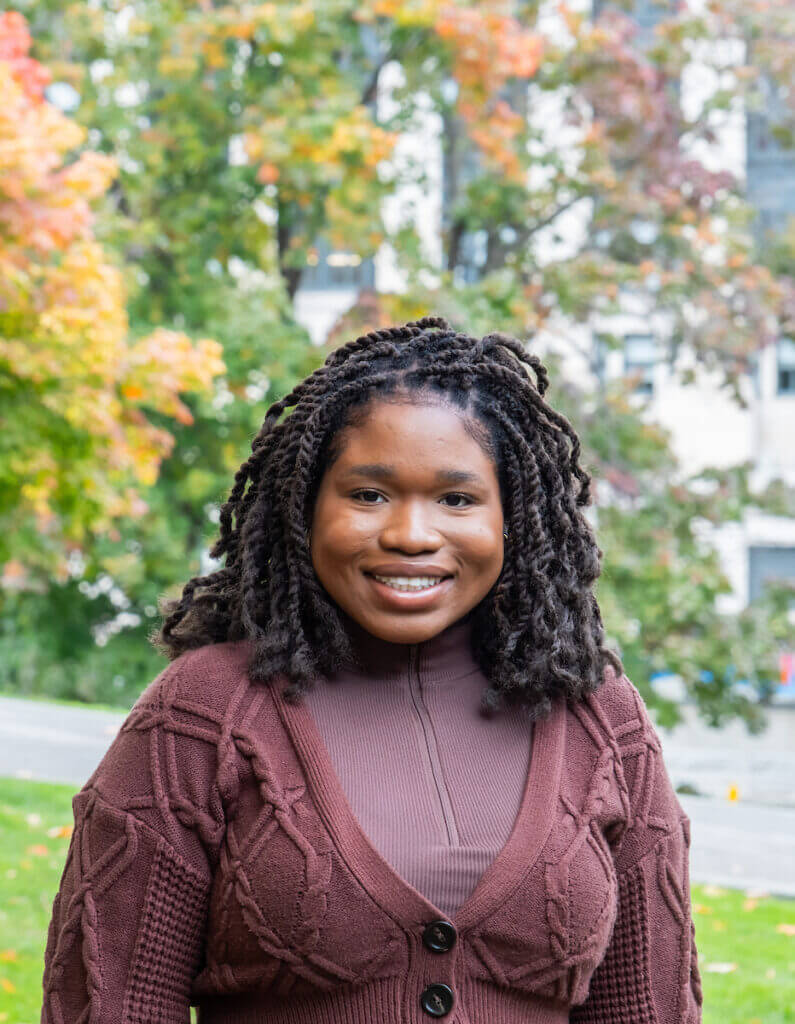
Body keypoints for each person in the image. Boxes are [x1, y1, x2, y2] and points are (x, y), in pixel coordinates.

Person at [41, 316, 702, 1024]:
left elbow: (647, 1007)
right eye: (368, 494)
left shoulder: (601, 719)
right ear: (304, 508)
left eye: (457, 498)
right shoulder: (204, 714)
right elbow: (109, 1003)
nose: (411, 535)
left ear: (512, 518)